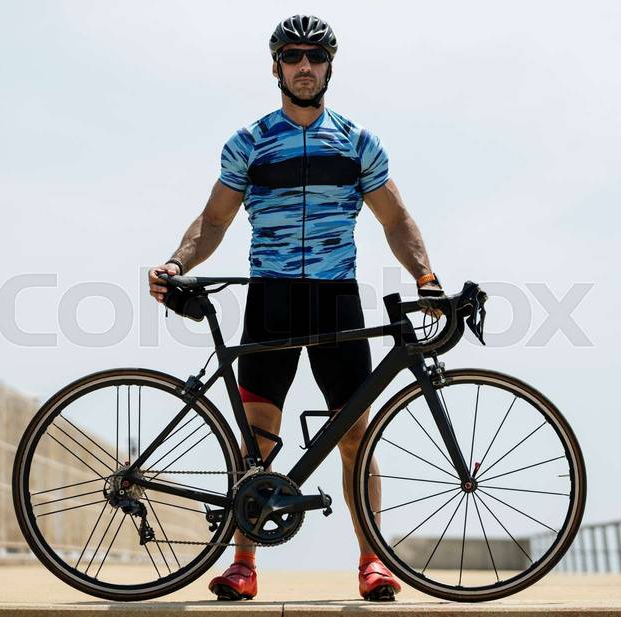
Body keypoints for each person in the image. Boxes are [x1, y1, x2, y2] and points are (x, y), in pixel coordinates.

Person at [148, 14, 444, 602]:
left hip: (336, 300)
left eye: (314, 56)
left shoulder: (358, 143)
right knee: (258, 439)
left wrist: (426, 276)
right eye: (292, 56)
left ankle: (373, 562)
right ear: (276, 66)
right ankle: (243, 565)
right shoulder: (250, 142)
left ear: (329, 66)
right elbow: (214, 221)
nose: (303, 66)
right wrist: (178, 263)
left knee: (355, 436)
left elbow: (395, 219)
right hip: (272, 299)